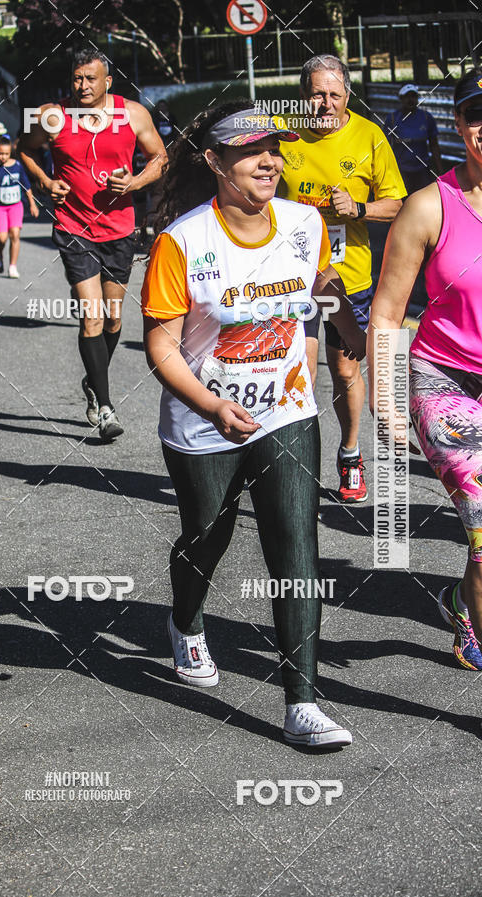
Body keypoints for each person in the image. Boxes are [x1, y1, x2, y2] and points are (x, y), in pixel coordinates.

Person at [142, 102, 366, 747]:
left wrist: (351, 329)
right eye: (250, 151)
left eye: (274, 149)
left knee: (296, 548)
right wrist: (213, 405)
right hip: (203, 420)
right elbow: (161, 346)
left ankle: (303, 702)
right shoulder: (182, 242)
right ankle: (185, 623)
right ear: (214, 162)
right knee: (205, 537)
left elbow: (322, 291)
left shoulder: (303, 222)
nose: (269, 161)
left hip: (288, 411)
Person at [368, 67, 482, 671]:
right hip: (446, 382)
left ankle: (464, 599)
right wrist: (384, 399)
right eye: (475, 114)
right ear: (460, 123)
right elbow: (386, 315)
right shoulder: (428, 207)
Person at [20, 47, 167, 441]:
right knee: (93, 316)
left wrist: (135, 182)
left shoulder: (134, 113)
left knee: (115, 318)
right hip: (73, 227)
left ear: (108, 81)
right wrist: (46, 183)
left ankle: (92, 379)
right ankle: (105, 407)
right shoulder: (52, 115)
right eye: (77, 78)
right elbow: (25, 149)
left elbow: (160, 158)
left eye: (90, 78)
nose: (82, 86)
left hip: (119, 229)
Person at [278, 54, 405, 503]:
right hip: (291, 279)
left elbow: (397, 204)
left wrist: (360, 209)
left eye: (334, 94)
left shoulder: (369, 137)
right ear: (302, 96)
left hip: (348, 277)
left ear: (347, 95)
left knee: (346, 370)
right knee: (301, 373)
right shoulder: (283, 133)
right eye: (317, 93)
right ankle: (297, 471)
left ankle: (350, 453)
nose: (326, 102)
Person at [0, 136, 39, 277]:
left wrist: (33, 204)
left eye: (6, 153)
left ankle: (12, 266)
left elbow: (27, 187)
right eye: (0, 153)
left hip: (16, 206)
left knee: (15, 235)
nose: (3, 157)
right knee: (2, 237)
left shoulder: (17, 166)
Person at [384, 84, 443, 195]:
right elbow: (385, 147)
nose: (410, 100)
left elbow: (434, 145)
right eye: (407, 96)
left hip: (422, 170)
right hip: (401, 171)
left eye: (413, 96)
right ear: (401, 98)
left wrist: (440, 171)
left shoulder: (426, 117)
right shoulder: (392, 119)